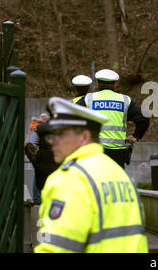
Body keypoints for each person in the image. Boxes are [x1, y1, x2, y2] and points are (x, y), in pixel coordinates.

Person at [34, 97, 148, 253]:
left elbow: (56, 248)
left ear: (84, 137)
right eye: (52, 134)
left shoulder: (69, 179)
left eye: (60, 134)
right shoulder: (118, 174)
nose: (52, 141)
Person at [76, 69, 150, 168]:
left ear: (97, 83)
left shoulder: (89, 99)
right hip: (117, 153)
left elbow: (71, 116)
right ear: (115, 84)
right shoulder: (125, 100)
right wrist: (136, 136)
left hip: (94, 150)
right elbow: (144, 116)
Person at [25, 112, 57, 203]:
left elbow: (29, 145)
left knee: (40, 193)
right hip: (62, 168)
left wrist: (36, 162)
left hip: (43, 166)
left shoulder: (39, 128)